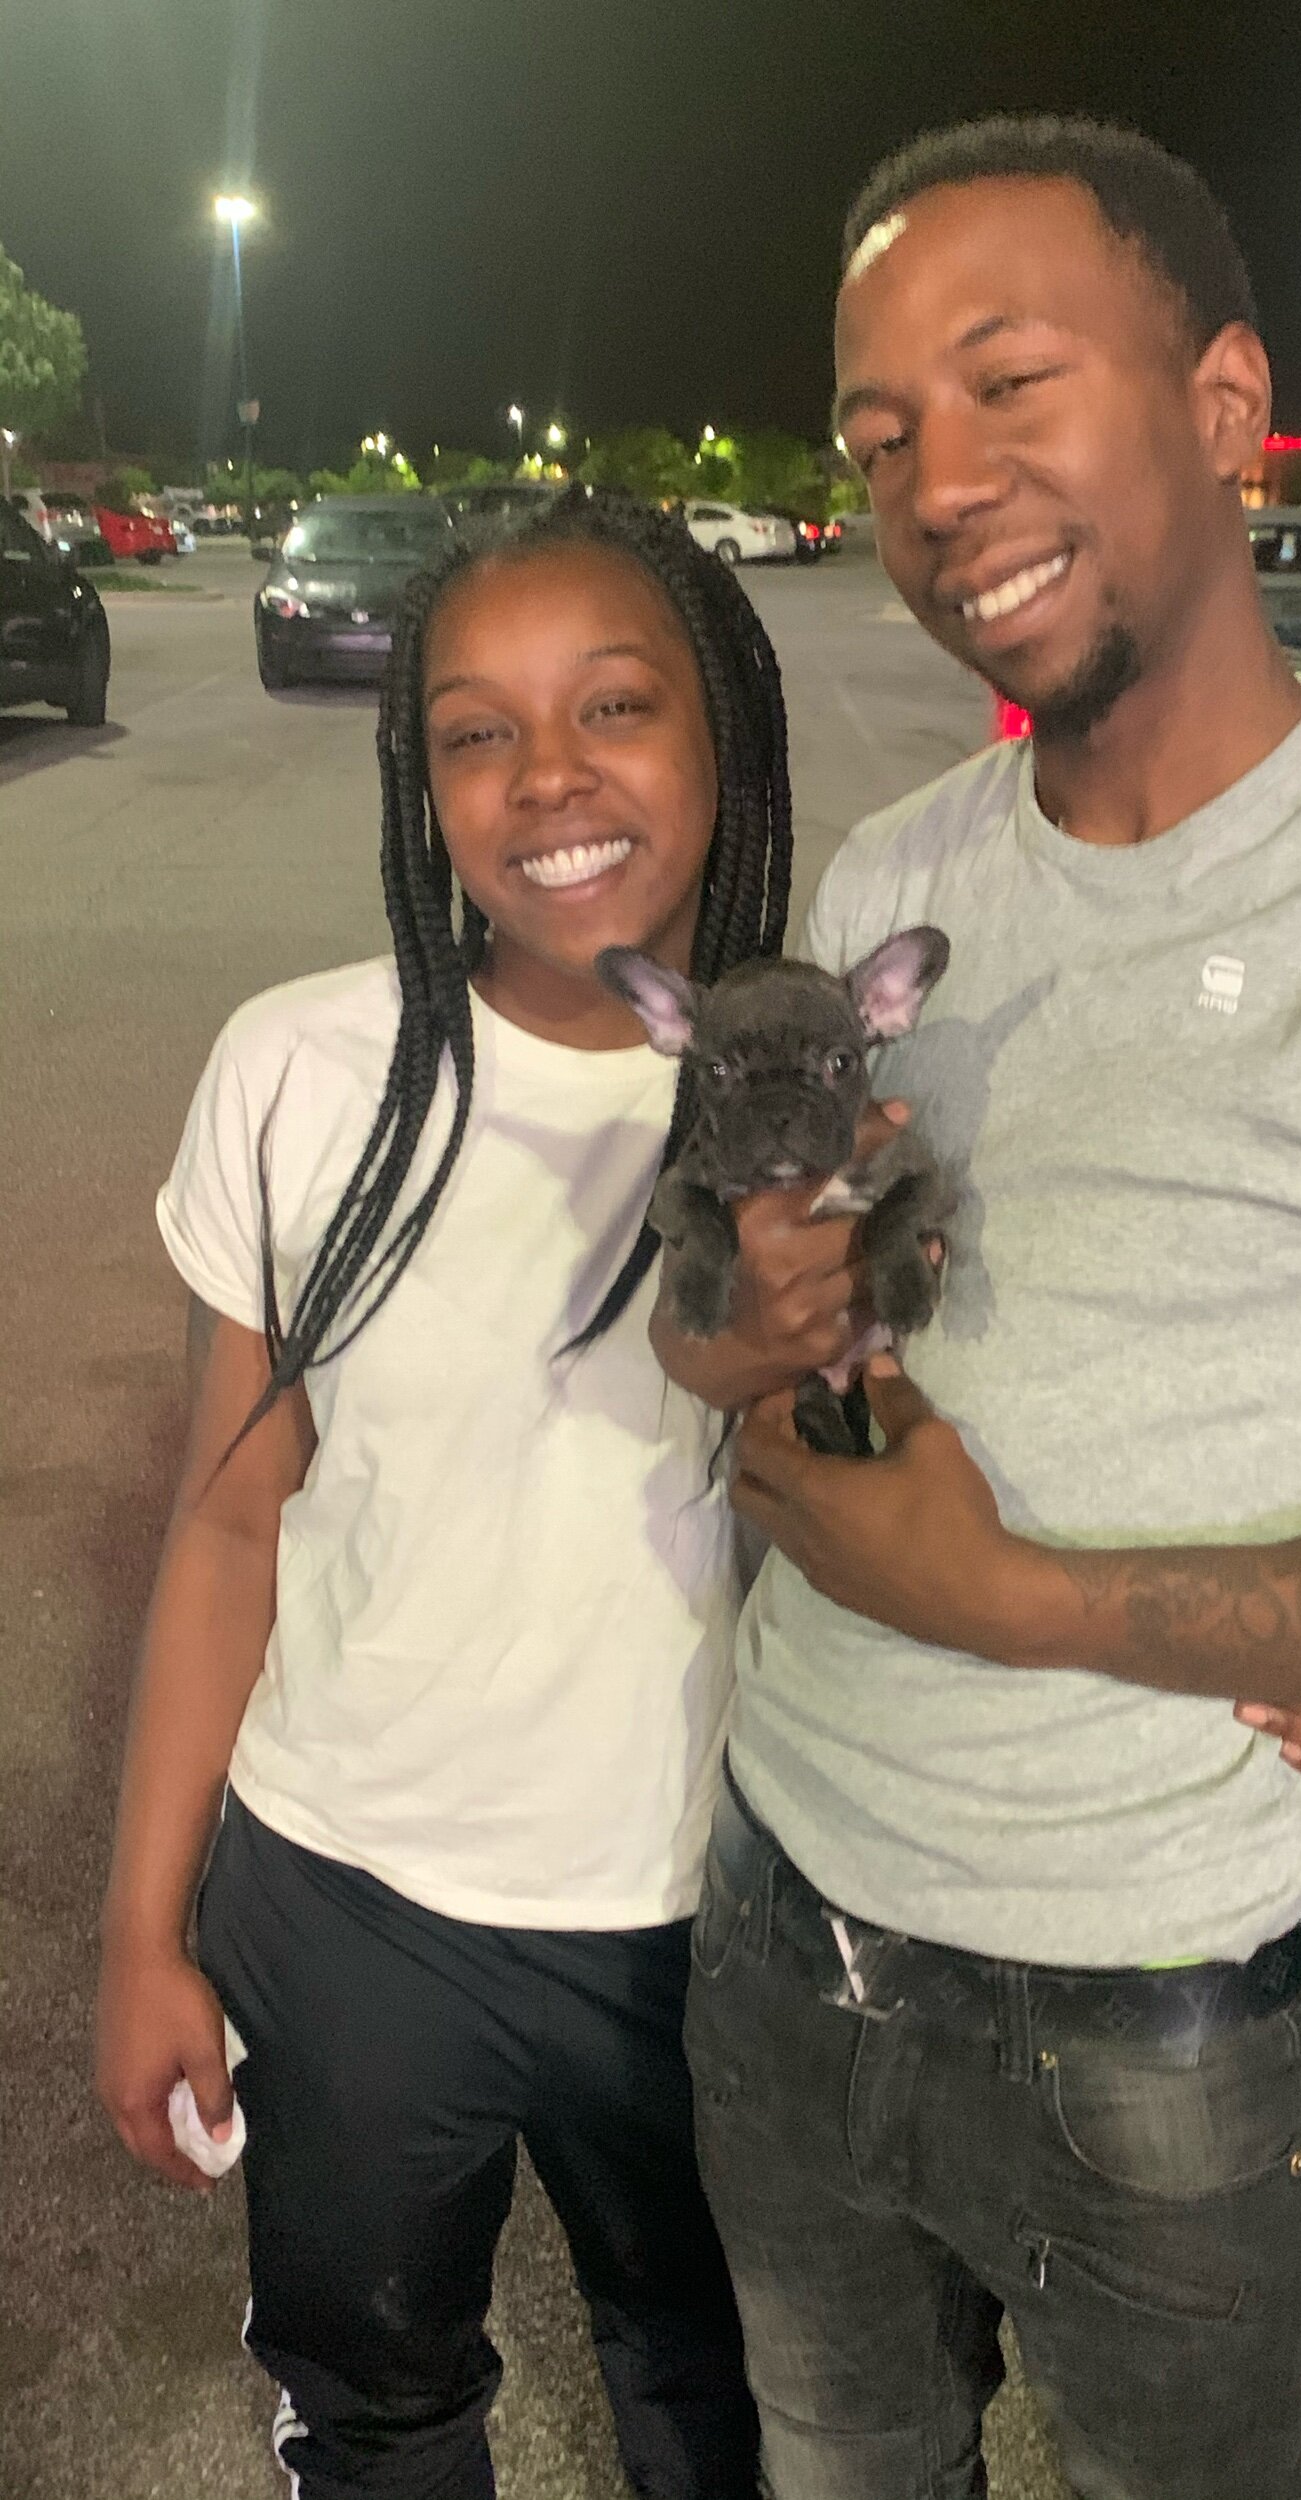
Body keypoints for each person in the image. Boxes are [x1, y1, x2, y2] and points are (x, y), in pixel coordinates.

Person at [655, 118, 1301, 2500]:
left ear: (1225, 406)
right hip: (779, 1914)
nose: (935, 486)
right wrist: (743, 1331)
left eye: (1007, 384)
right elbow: (725, 1337)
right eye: (880, 436)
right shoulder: (895, 880)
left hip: (1156, 2038)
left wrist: (1002, 1593)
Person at [93, 491, 790, 2500]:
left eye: (613, 706)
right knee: (377, 2407)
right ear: (424, 785)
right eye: (477, 731)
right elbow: (233, 1518)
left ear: (722, 731)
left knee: (729, 2408)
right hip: (349, 1908)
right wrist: (142, 1928)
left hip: (707, 1921)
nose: (545, 775)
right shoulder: (301, 1072)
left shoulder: (815, 1096)